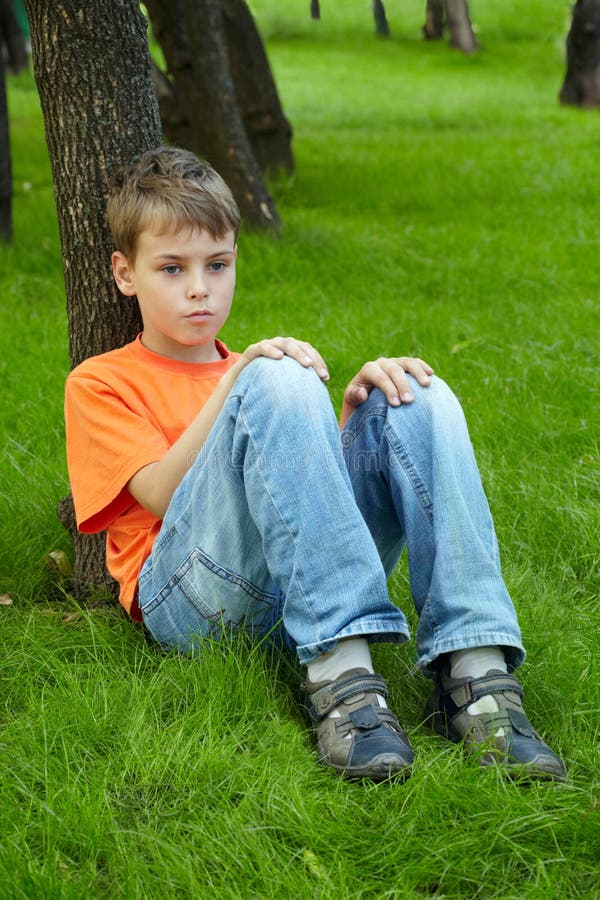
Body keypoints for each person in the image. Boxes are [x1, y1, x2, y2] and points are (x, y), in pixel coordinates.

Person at [64, 146, 565, 783]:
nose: (199, 288)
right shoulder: (101, 382)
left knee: (413, 396)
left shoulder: (255, 374)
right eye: (172, 268)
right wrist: (240, 378)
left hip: (291, 588)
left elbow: (301, 501)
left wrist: (359, 424)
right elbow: (162, 494)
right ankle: (344, 683)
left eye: (217, 265)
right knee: (279, 375)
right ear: (124, 272)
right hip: (191, 603)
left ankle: (476, 676)